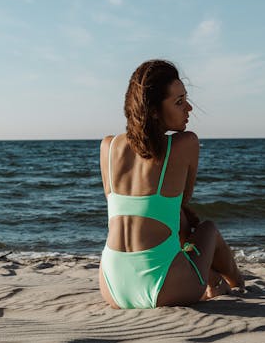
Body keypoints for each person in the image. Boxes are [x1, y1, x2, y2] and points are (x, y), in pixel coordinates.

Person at [99, 59, 244, 309]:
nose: (188, 108)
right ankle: (239, 285)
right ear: (153, 110)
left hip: (111, 286)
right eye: (178, 102)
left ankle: (212, 281)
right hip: (163, 287)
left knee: (172, 220)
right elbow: (182, 200)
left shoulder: (108, 146)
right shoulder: (185, 143)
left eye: (185, 99)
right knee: (207, 229)